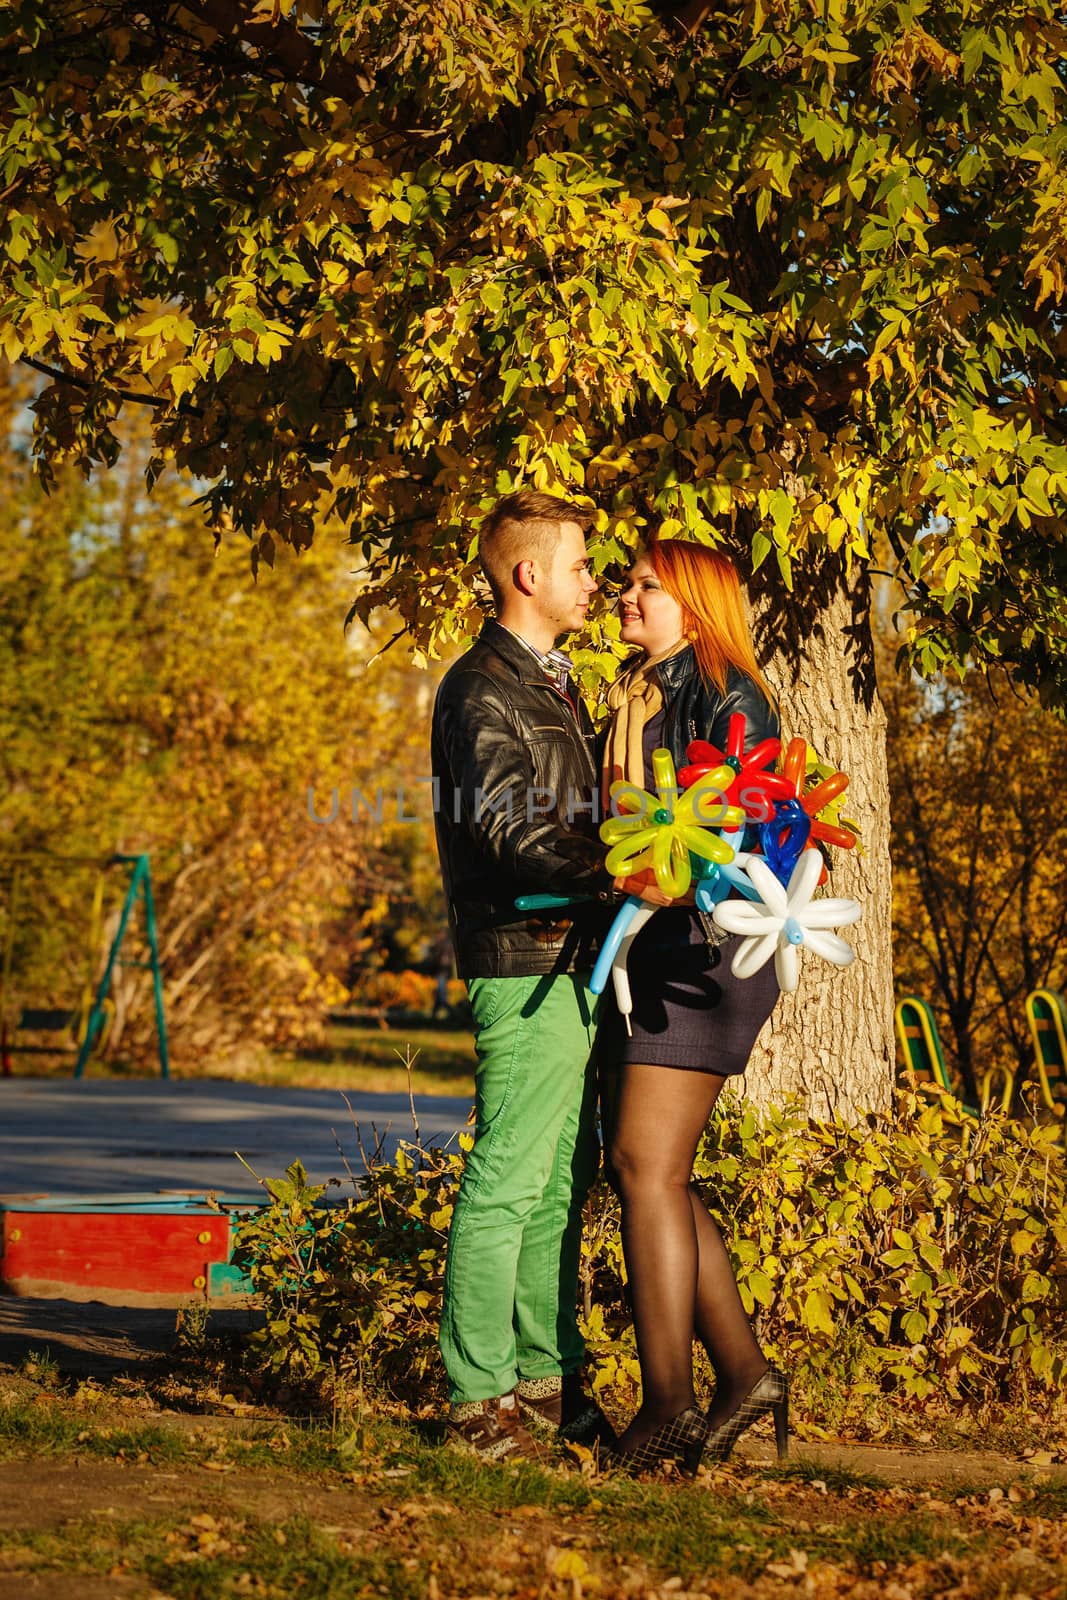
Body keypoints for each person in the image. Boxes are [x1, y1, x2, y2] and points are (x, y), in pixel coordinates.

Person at [430, 489, 666, 1463]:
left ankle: (542, 1378)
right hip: (522, 956)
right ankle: (475, 1397)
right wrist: (619, 869)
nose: (591, 581)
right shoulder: (480, 687)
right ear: (528, 574)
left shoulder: (549, 681)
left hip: (571, 951)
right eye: (578, 565)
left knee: (557, 1183)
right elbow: (505, 827)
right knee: (507, 1178)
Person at [599, 537, 789, 1474]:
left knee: (642, 1164)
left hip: (709, 953)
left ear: (694, 604)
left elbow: (752, 826)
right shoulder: (646, 689)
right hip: (663, 949)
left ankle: (667, 1404)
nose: (625, 598)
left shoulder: (727, 691)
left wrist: (669, 881)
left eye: (645, 588)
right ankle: (745, 1377)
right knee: (651, 1170)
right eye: (629, 584)